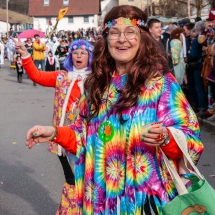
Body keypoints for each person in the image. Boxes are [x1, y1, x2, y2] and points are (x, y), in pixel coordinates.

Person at [24, 5, 203, 214]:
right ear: (106, 39)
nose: (122, 39)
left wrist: (166, 138)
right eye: (114, 33)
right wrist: (55, 133)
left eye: (130, 32)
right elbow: (83, 137)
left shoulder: (161, 84)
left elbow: (191, 139)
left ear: (142, 38)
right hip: (100, 201)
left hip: (145, 202)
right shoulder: (96, 85)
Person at [12, 36, 93, 215]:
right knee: (71, 179)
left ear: (90, 56)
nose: (78, 55)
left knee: (88, 181)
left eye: (83, 53)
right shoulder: (61, 77)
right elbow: (37, 75)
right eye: (75, 52)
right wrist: (25, 54)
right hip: (63, 140)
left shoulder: (97, 80)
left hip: (88, 139)